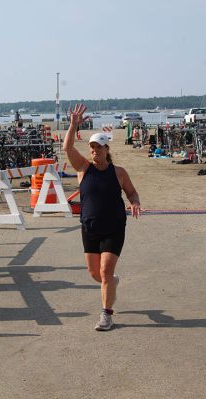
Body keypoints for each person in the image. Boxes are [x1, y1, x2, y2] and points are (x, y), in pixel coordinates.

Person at [63, 104, 141, 331]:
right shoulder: (83, 168)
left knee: (105, 271)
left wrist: (135, 202)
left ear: (107, 149)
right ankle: (111, 283)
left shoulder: (119, 172)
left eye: (99, 147)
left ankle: (106, 315)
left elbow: (132, 192)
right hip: (89, 228)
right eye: (92, 147)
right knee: (95, 274)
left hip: (114, 227)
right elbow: (67, 147)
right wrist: (73, 125)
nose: (94, 150)